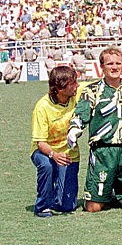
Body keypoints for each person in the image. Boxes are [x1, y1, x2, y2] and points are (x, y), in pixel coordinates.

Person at [67, 47, 122, 212]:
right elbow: (82, 113)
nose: (114, 67)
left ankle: (118, 193)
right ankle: (107, 194)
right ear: (101, 66)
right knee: (93, 207)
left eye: (118, 63)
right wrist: (74, 130)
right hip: (103, 153)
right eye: (110, 64)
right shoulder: (92, 91)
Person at [30, 66, 80, 217]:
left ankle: (55, 196)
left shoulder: (75, 95)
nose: (77, 85)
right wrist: (54, 155)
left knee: (67, 206)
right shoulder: (42, 107)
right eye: (72, 83)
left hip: (68, 153)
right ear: (59, 88)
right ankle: (41, 206)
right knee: (46, 166)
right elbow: (40, 142)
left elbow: (100, 84)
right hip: (44, 151)